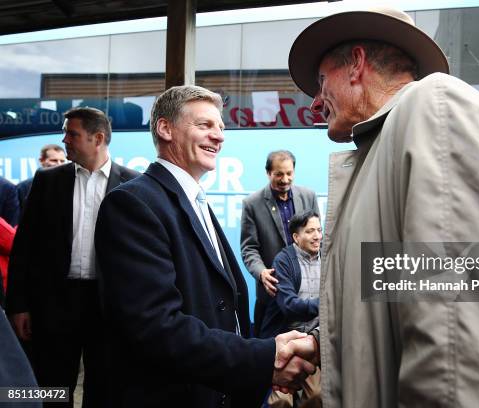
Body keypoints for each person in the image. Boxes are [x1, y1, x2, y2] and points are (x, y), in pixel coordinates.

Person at [280, 7, 479, 407]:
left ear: (357, 64)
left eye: (322, 82)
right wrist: (325, 343)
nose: (314, 104)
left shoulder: (437, 109)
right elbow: (404, 287)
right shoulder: (390, 145)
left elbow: (466, 350)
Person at [94, 85, 316, 408]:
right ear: (165, 129)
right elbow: (158, 328)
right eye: (205, 125)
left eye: (221, 127)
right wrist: (264, 357)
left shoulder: (194, 199)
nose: (219, 136)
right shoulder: (132, 204)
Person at [5, 107, 139, 407]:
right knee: (51, 386)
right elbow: (24, 248)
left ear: (98, 138)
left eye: (72, 134)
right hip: (55, 302)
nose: (64, 139)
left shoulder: (134, 185)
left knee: (104, 386)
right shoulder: (46, 181)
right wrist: (19, 305)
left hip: (108, 306)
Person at [241, 150, 319, 336]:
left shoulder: (308, 196)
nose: (285, 179)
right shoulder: (252, 203)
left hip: (306, 292)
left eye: (289, 173)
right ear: (268, 173)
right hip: (272, 291)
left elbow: (318, 237)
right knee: (265, 351)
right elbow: (249, 247)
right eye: (279, 174)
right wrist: (261, 273)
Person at [261, 210, 322, 408]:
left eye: (319, 230)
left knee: (317, 397)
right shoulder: (284, 260)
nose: (317, 236)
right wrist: (326, 304)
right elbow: (289, 306)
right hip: (285, 343)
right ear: (296, 237)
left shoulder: (330, 258)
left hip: (315, 342)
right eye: (310, 231)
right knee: (279, 403)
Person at [16, 144, 67, 212]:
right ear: (41, 161)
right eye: (54, 160)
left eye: (62, 161)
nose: (59, 164)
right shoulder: (23, 187)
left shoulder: (70, 185)